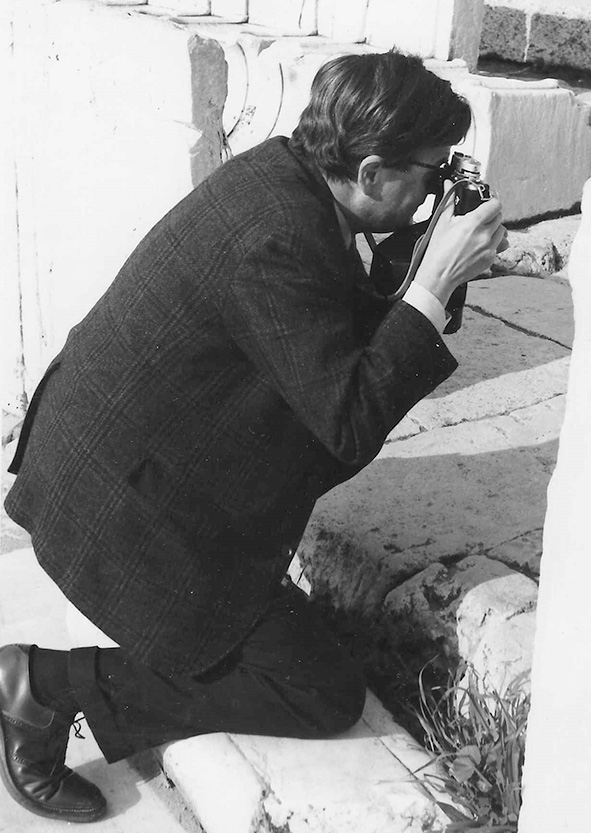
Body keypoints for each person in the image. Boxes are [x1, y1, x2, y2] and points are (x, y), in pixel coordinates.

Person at [1, 50, 506, 822]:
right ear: (371, 173)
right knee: (320, 691)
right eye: (430, 175)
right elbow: (346, 421)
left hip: (127, 466)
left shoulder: (286, 178)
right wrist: (431, 285)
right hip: (129, 519)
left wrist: (425, 261)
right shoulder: (277, 238)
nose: (435, 188)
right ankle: (42, 686)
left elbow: (326, 335)